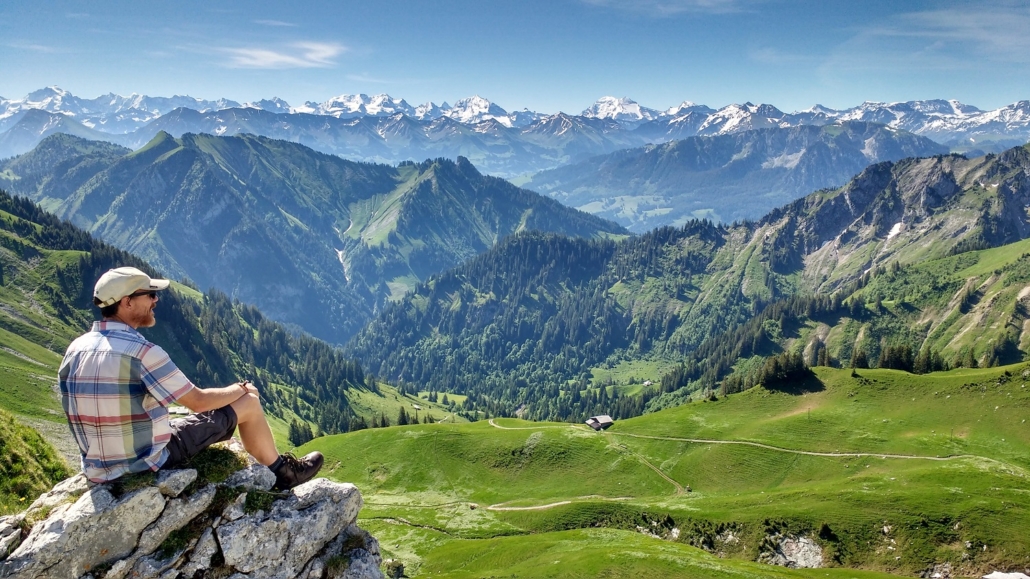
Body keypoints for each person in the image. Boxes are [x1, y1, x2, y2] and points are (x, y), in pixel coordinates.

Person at [58, 266, 323, 490]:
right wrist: (240, 388)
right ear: (127, 302)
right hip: (144, 462)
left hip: (97, 469)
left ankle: (279, 468)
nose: (155, 300)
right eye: (149, 295)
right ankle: (285, 473)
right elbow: (197, 401)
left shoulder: (75, 349)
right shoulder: (142, 352)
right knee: (249, 402)